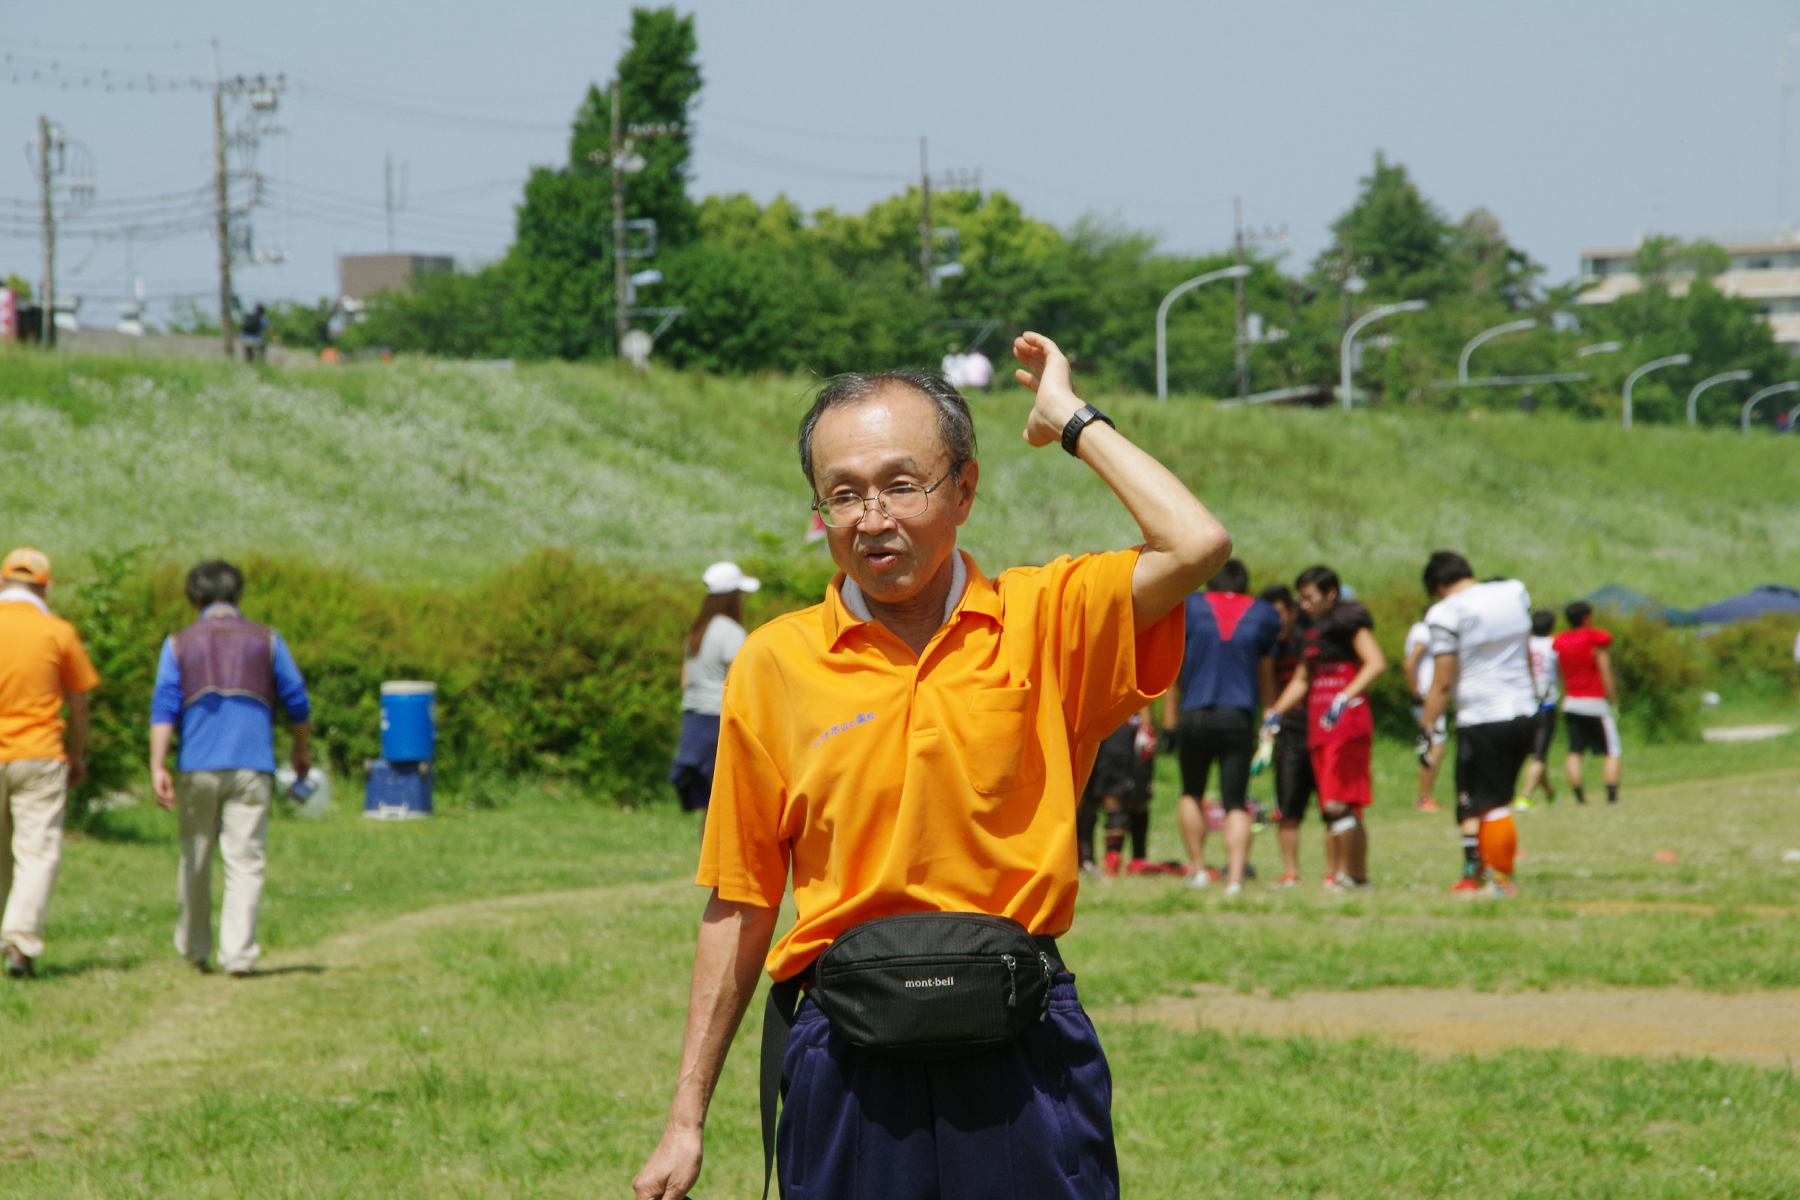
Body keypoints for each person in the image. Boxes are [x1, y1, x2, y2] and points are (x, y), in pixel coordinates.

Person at [630, 331, 1230, 1200]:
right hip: (846, 1054)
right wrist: (685, 1120)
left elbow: (1196, 541)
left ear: (965, 491)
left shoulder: (1045, 618)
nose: (873, 519)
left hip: (1018, 1044)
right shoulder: (774, 663)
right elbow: (741, 899)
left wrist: (1070, 420)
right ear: (819, 513)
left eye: (902, 485)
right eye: (843, 495)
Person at [149, 561, 312, 977]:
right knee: (245, 860)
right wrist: (300, 748)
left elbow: (165, 704)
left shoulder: (178, 642)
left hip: (197, 764)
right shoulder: (268, 640)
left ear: (194, 597)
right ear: (238, 595)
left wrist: (157, 764)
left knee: (196, 856)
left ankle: (195, 947)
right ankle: (238, 955)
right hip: (253, 763)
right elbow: (296, 697)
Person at [0, 549, 99, 979]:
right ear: (46, 587)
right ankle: (20, 944)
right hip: (39, 753)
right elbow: (80, 704)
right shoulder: (58, 632)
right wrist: (77, 756)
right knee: (35, 852)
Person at [1418, 552, 1537, 898]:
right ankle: (1478, 872)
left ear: (1438, 586)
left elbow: (1442, 681)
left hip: (1483, 715)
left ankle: (1502, 881)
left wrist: (1427, 728)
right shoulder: (1513, 591)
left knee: (1492, 801)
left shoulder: (1446, 611)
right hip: (1524, 709)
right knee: (1480, 798)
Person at [1266, 566, 1385, 891]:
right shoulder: (1310, 630)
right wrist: (1276, 711)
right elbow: (1304, 679)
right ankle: (1354, 877)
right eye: (1301, 598)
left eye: (1309, 598)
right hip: (1319, 727)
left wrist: (1345, 696)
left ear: (1330, 593)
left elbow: (1375, 662)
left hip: (1346, 725)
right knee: (1335, 802)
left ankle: (1351, 875)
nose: (1303, 604)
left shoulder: (1349, 621)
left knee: (1340, 803)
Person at [1168, 558, 1279, 896]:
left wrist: (1169, 718)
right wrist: (1269, 718)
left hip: (1195, 712)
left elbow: (1173, 666)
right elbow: (1266, 675)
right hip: (1239, 715)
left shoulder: (1191, 606)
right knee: (1235, 800)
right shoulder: (1263, 613)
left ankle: (1199, 870)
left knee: (1192, 791)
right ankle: (1234, 879)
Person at [669, 562, 758, 842]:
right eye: (740, 593)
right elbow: (746, 679)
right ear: (731, 595)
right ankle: (721, 866)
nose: (743, 599)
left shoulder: (698, 630)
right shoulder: (730, 631)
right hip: (718, 721)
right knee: (727, 799)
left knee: (711, 802)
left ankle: (710, 866)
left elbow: (685, 681)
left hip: (694, 721)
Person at [1260, 583, 1315, 886]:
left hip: (1319, 728)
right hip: (1288, 733)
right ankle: (1291, 871)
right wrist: (1268, 728)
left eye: (1279, 614)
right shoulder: (1266, 646)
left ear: (1293, 612)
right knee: (1288, 804)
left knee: (1335, 805)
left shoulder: (1311, 640)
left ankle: (1338, 870)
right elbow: (1267, 691)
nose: (1275, 621)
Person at [1076, 706, 1165, 877]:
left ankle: (1110, 859)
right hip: (1096, 723)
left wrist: (1146, 726)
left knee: (1114, 794)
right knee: (1089, 795)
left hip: (1116, 724)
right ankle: (1090, 858)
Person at [1554, 600, 1621, 805]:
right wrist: (1613, 698)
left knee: (1575, 751)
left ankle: (1580, 797)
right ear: (1586, 618)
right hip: (1594, 701)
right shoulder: (1594, 639)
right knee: (1612, 750)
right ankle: (1611, 796)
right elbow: (1605, 664)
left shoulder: (1561, 641)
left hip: (1571, 700)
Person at [1401, 607, 1446, 813]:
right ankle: (1424, 797)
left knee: (1433, 745)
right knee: (1435, 745)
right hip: (1429, 698)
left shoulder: (1421, 630)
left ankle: (1425, 796)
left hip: (1432, 697)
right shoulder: (1424, 630)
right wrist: (1418, 694)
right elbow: (1409, 663)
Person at [1517, 609, 1562, 807]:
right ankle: (1525, 796)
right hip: (1546, 702)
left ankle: (1550, 795)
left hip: (1523, 701)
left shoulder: (1523, 644)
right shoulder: (1554, 645)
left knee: (1535, 753)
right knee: (1539, 754)